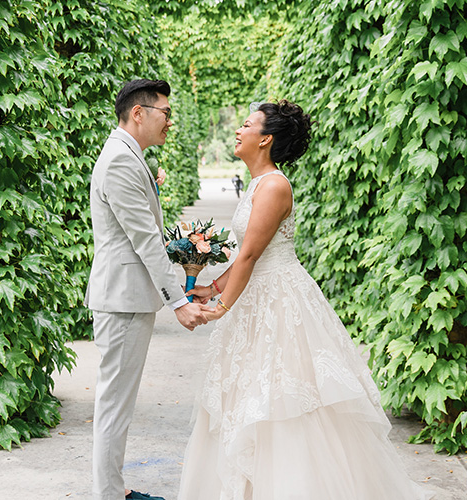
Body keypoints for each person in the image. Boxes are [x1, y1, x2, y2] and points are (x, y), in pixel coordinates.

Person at [179, 100, 432, 499]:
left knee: (281, 395)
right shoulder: (258, 183)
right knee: (247, 392)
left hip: (278, 299)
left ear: (265, 139)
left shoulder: (276, 185)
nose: (238, 131)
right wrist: (214, 286)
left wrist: (222, 306)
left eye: (246, 125)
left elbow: (250, 255)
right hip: (257, 292)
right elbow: (247, 252)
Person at [86, 79, 208, 500]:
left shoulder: (128, 155)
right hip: (121, 299)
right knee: (114, 405)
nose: (170, 121)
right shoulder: (120, 160)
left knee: (118, 403)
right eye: (166, 113)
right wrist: (178, 300)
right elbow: (143, 240)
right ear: (139, 113)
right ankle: (109, 495)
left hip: (127, 297)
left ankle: (114, 490)